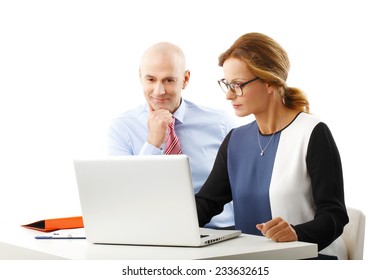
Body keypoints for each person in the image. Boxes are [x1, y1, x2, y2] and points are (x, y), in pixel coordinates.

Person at [195, 32, 349, 259]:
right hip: (254, 262)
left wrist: (296, 233)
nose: (229, 95)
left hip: (309, 258)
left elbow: (335, 215)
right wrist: (163, 226)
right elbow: (207, 202)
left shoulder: (312, 133)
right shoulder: (235, 140)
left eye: (237, 85)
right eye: (227, 84)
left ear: (269, 82)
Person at [107, 42, 235, 229]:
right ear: (140, 76)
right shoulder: (122, 128)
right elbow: (124, 196)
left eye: (169, 80)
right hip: (153, 232)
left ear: (185, 79)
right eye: (151, 80)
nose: (159, 91)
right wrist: (153, 141)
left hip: (219, 231)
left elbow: (238, 184)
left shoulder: (220, 123)